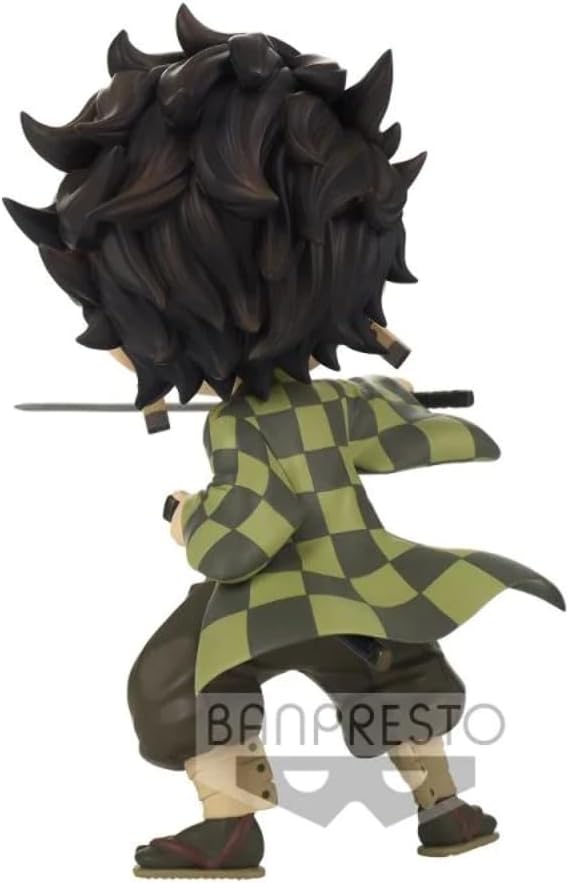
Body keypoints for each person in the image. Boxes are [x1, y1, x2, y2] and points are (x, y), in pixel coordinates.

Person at [4, 6, 564, 878]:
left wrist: (190, 520)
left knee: (186, 675)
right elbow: (432, 443)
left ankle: (230, 826)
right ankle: (444, 806)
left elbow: (243, 537)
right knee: (397, 666)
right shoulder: (339, 403)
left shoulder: (238, 425)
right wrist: (396, 398)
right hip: (369, 581)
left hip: (269, 604)